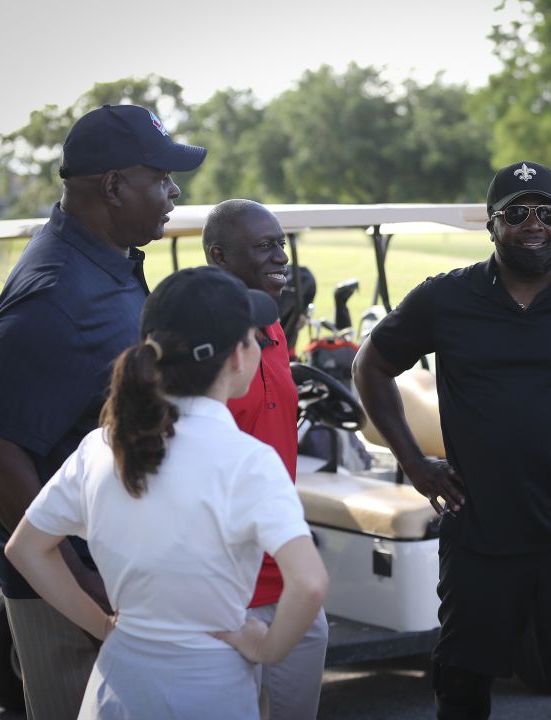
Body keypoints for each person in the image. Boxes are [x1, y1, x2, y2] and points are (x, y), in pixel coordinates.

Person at [353, 160, 551, 720]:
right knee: (461, 687)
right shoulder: (447, 298)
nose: (534, 224)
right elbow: (369, 365)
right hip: (479, 532)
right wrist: (417, 464)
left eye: (547, 212)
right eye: (516, 213)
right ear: (491, 225)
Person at [0, 103, 206, 719]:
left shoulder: (109, 262)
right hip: (73, 590)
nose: (174, 191)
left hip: (120, 565)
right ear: (114, 186)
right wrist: (78, 585)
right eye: (162, 178)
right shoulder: (55, 294)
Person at [5, 266, 329, 719]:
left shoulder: (101, 445)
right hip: (210, 692)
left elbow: (26, 548)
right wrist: (268, 647)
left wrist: (102, 625)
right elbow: (310, 583)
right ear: (238, 357)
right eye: (254, 336)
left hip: (115, 687)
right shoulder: (248, 461)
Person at [203, 199, 330, 719]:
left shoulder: (273, 329)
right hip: (226, 584)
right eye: (263, 246)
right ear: (219, 257)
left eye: (281, 242)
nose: (280, 255)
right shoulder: (200, 344)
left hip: (289, 570)